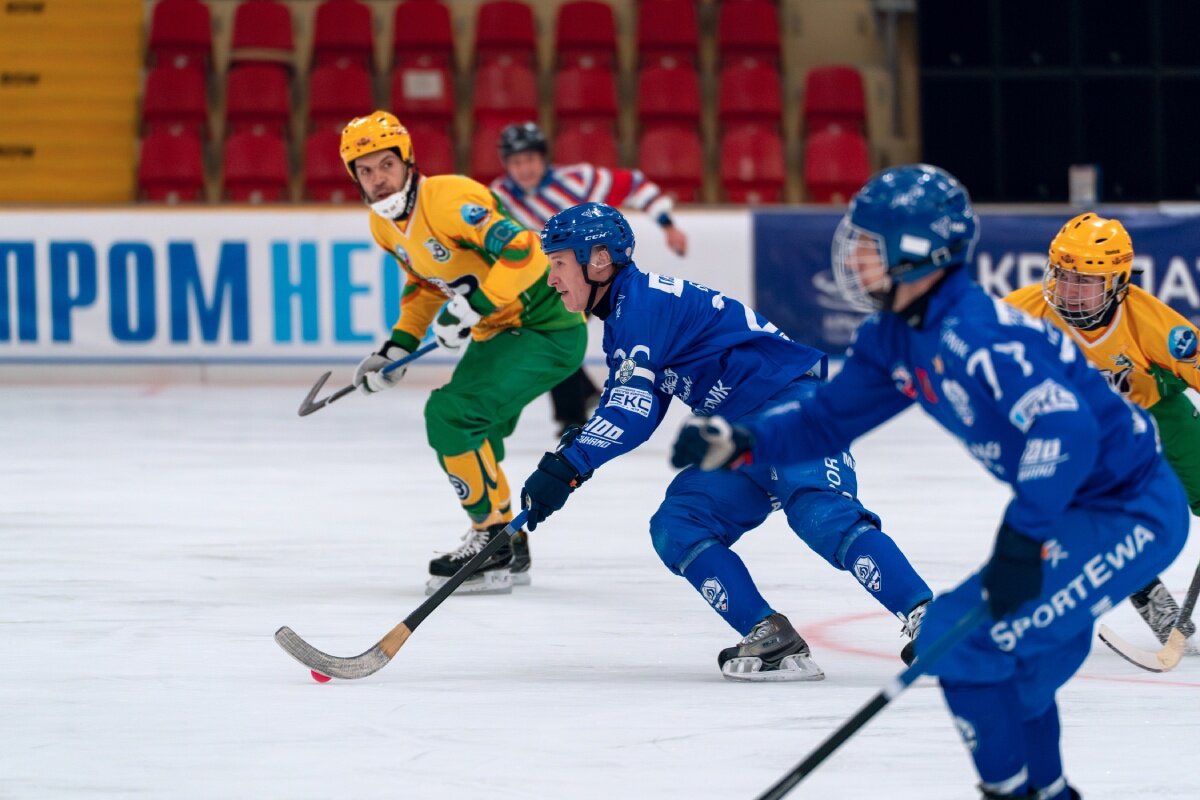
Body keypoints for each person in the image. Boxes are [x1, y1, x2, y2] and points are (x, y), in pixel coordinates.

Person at [671, 165, 1188, 798]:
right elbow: (831, 416)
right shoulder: (895, 335)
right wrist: (747, 443)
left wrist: (1024, 540)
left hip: (1131, 511)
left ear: (917, 256)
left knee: (975, 654)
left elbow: (1066, 433)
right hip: (1073, 514)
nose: (854, 262)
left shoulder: (979, 335)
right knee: (968, 648)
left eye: (869, 248)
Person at [516, 201, 933, 682]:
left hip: (791, 408)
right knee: (679, 523)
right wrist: (569, 463)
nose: (552, 279)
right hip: (739, 436)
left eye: (559, 263)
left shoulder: (641, 306)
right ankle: (768, 636)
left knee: (820, 514)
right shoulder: (628, 316)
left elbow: (628, 414)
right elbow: (641, 409)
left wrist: (567, 464)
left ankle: (928, 615)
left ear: (599, 259)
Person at [341, 110, 587, 595]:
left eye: (385, 164)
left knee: (451, 415)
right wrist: (397, 346)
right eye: (364, 171)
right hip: (500, 329)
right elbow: (424, 283)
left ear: (408, 160)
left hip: (545, 325)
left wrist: (475, 306)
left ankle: (489, 538)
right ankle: (507, 539)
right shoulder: (383, 224)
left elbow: (524, 249)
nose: (377, 180)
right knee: (478, 433)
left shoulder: (451, 199)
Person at [1005, 213, 1198, 650]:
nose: (1069, 291)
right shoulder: (1020, 312)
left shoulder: (1151, 322)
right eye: (1062, 276)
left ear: (1117, 284)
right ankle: (1157, 606)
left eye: (1084, 282)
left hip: (1155, 412)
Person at [490, 122, 689, 434]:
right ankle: (583, 397)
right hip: (544, 286)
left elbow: (634, 184)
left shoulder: (578, 181)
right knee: (551, 340)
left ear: (543, 158)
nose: (524, 168)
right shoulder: (498, 198)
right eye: (515, 162)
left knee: (553, 339)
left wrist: (667, 224)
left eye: (529, 159)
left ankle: (573, 414)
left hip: (588, 276)